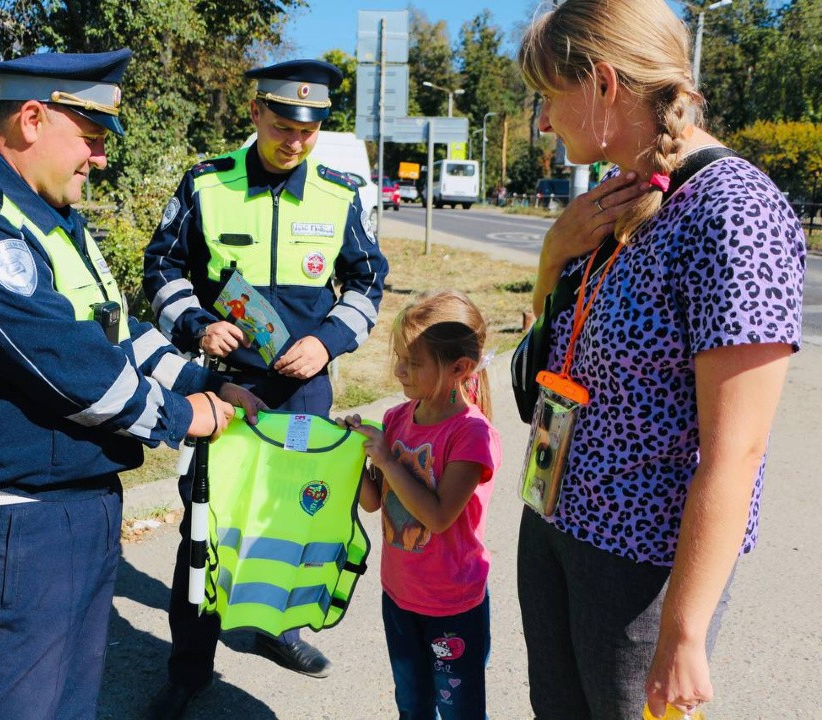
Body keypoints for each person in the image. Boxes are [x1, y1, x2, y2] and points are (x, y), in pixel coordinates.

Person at [0, 49, 262, 719]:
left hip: (83, 500)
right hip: (17, 517)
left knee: (72, 703)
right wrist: (186, 415)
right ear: (33, 119)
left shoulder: (57, 222)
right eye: (92, 140)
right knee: (27, 703)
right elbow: (69, 367)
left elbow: (118, 332)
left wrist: (203, 381)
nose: (99, 159)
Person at [515, 2, 806, 718]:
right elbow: (540, 374)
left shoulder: (733, 214)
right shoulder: (618, 197)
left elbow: (736, 451)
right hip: (555, 522)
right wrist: (553, 259)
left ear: (604, 84)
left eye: (549, 97)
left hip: (640, 569)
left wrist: (684, 630)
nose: (544, 123)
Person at [143, 58, 388, 717]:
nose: (296, 142)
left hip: (303, 393)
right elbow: (161, 265)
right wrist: (196, 324)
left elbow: (367, 282)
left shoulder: (339, 192)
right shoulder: (206, 182)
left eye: (310, 131)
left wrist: (328, 341)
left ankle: (281, 627)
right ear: (255, 114)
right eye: (283, 126)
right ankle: (189, 669)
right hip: (220, 389)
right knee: (206, 526)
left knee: (292, 520)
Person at [337, 290, 502, 720]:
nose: (399, 370)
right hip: (400, 595)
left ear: (459, 369)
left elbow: (439, 515)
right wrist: (352, 456)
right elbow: (375, 503)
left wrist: (388, 460)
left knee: (459, 712)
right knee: (412, 705)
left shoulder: (471, 435)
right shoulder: (396, 419)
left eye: (413, 362)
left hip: (453, 606)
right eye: (399, 358)